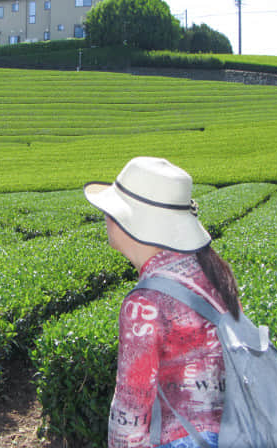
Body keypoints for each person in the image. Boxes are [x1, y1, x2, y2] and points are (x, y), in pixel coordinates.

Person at [84, 156, 241, 448]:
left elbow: (131, 405)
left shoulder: (145, 305)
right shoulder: (209, 271)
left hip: (180, 440)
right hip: (231, 435)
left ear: (129, 221)